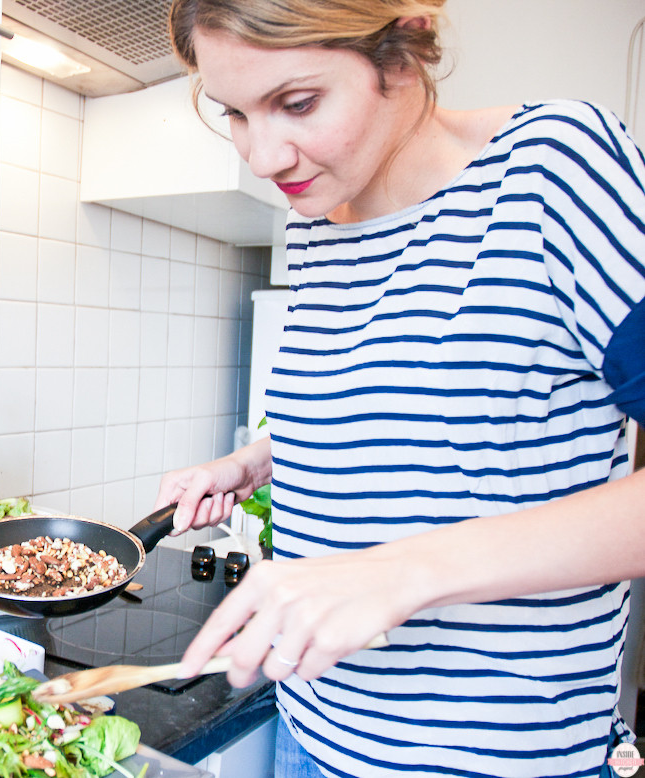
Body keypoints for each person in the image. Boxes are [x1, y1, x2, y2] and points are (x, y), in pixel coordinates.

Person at [153, 1, 645, 775]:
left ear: (405, 42)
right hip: (313, 736)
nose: (263, 155)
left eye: (298, 102)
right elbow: (446, 409)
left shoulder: (553, 168)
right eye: (236, 114)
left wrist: (401, 571)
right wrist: (259, 459)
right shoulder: (315, 221)